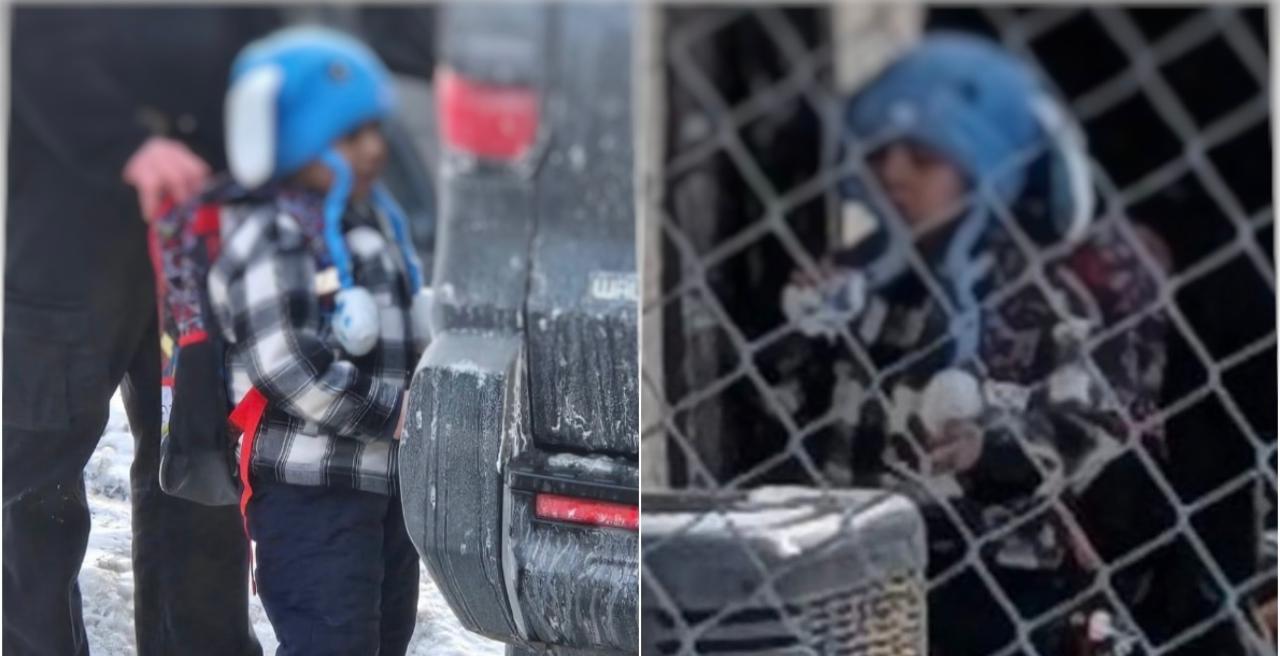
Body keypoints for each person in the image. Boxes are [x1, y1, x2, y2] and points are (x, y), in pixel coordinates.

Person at [783, 34, 1168, 655]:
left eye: (924, 158)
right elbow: (797, 406)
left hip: (996, 573)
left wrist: (993, 453)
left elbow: (1092, 421)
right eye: (882, 154)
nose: (894, 173)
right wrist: (804, 331)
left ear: (990, 168)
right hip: (855, 555)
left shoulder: (1038, 292)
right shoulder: (864, 278)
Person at [4, 8, 280, 655]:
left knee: (200, 473)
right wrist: (126, 144)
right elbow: (32, 46)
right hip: (61, 246)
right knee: (33, 484)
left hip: (201, 242)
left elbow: (263, 49)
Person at [208, 27, 429, 656]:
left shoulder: (373, 224)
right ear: (289, 137)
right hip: (311, 497)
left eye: (375, 132)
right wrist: (399, 415)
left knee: (385, 638)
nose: (372, 151)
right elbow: (289, 367)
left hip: (384, 490)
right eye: (349, 136)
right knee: (327, 641)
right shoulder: (274, 237)